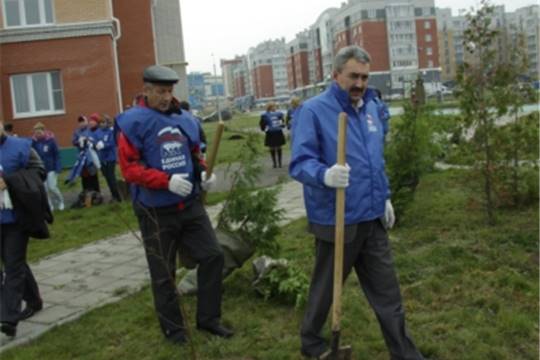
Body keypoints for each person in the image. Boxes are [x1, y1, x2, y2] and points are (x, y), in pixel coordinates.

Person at [289, 46, 425, 359]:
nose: (360, 83)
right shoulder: (313, 111)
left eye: (364, 76)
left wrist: (385, 195)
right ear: (336, 74)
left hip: (372, 217)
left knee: (388, 294)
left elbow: (375, 160)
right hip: (337, 218)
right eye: (353, 76)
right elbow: (299, 162)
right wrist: (324, 175)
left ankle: (405, 354)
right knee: (325, 290)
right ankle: (312, 343)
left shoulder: (371, 108)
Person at [115, 65, 233, 345]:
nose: (166, 97)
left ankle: (208, 319)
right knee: (163, 273)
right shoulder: (132, 122)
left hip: (189, 205)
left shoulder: (186, 120)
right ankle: (174, 330)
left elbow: (194, 154)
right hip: (155, 210)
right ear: (146, 90)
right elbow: (129, 169)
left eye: (169, 91)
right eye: (160, 91)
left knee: (213, 256)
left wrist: (204, 173)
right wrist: (164, 181)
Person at [0, 120, 44, 338]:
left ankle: (8, 318)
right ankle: (34, 300)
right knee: (13, 261)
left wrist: (9, 181)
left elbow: (39, 173)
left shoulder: (22, 147)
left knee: (13, 267)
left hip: (16, 219)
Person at [31, 122, 65, 211]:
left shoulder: (51, 140)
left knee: (52, 187)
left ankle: (61, 201)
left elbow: (56, 154)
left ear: (43, 131)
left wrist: (58, 167)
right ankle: (50, 206)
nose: (37, 135)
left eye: (39, 132)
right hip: (41, 169)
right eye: (36, 133)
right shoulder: (33, 142)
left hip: (51, 168)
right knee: (44, 189)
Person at [93, 114, 122, 202]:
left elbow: (112, 143)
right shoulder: (97, 132)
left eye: (104, 122)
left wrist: (104, 145)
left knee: (111, 177)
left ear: (107, 123)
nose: (102, 124)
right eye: (100, 123)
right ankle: (113, 195)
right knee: (106, 178)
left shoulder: (110, 132)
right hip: (102, 158)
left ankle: (117, 196)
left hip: (110, 157)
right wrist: (95, 145)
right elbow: (95, 141)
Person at [71, 115, 101, 194]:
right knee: (84, 175)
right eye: (80, 122)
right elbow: (73, 141)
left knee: (92, 173)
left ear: (86, 122)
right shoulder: (77, 131)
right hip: (81, 155)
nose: (81, 123)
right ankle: (86, 191)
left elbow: (94, 140)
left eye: (83, 121)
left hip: (90, 155)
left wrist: (87, 140)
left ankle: (96, 192)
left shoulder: (90, 130)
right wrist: (78, 142)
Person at [259, 102, 286, 168]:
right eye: (273, 106)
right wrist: (265, 130)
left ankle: (280, 163)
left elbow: (282, 123)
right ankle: (274, 163)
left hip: (278, 132)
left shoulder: (279, 114)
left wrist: (282, 125)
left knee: (279, 147)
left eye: (275, 106)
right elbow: (262, 124)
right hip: (270, 133)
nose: (275, 108)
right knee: (272, 147)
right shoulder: (265, 115)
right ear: (270, 107)